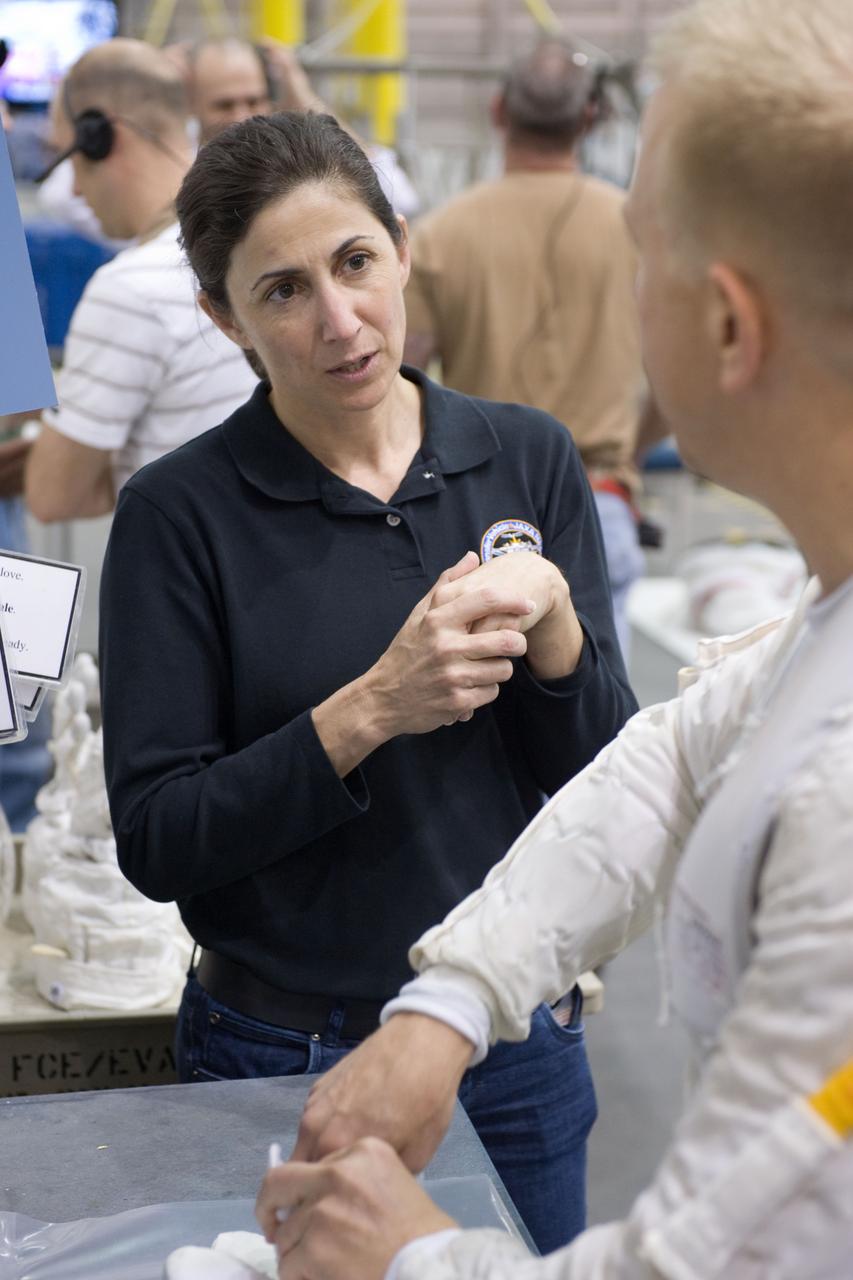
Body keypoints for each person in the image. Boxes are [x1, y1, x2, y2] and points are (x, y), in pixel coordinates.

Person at [255, 1, 853, 1276]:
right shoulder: (823, 615)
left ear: (731, 326)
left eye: (642, 255)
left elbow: (729, 1257)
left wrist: (419, 1255)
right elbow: (670, 759)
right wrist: (451, 1000)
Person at [99, 110, 636, 1254]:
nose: (340, 321)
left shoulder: (524, 456)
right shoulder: (181, 514)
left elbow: (607, 780)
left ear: (399, 247)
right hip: (284, 1056)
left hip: (510, 1044)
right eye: (282, 291)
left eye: (355, 264)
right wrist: (369, 710)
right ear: (221, 316)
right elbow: (158, 837)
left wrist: (556, 643)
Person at [403, 40, 647, 659]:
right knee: (596, 723)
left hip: (484, 520)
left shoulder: (442, 235)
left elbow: (402, 376)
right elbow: (687, 379)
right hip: (601, 498)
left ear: (497, 112)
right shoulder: (637, 232)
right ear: (589, 119)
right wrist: (630, 448)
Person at [19, 39, 256, 523]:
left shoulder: (130, 290)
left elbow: (54, 498)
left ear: (101, 137)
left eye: (72, 159)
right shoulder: (253, 240)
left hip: (185, 583)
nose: (77, 190)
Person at [186, 36, 420, 217]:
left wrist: (303, 96)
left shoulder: (285, 156)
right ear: (192, 102)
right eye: (224, 105)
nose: (242, 116)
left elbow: (398, 197)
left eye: (254, 101)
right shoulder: (176, 163)